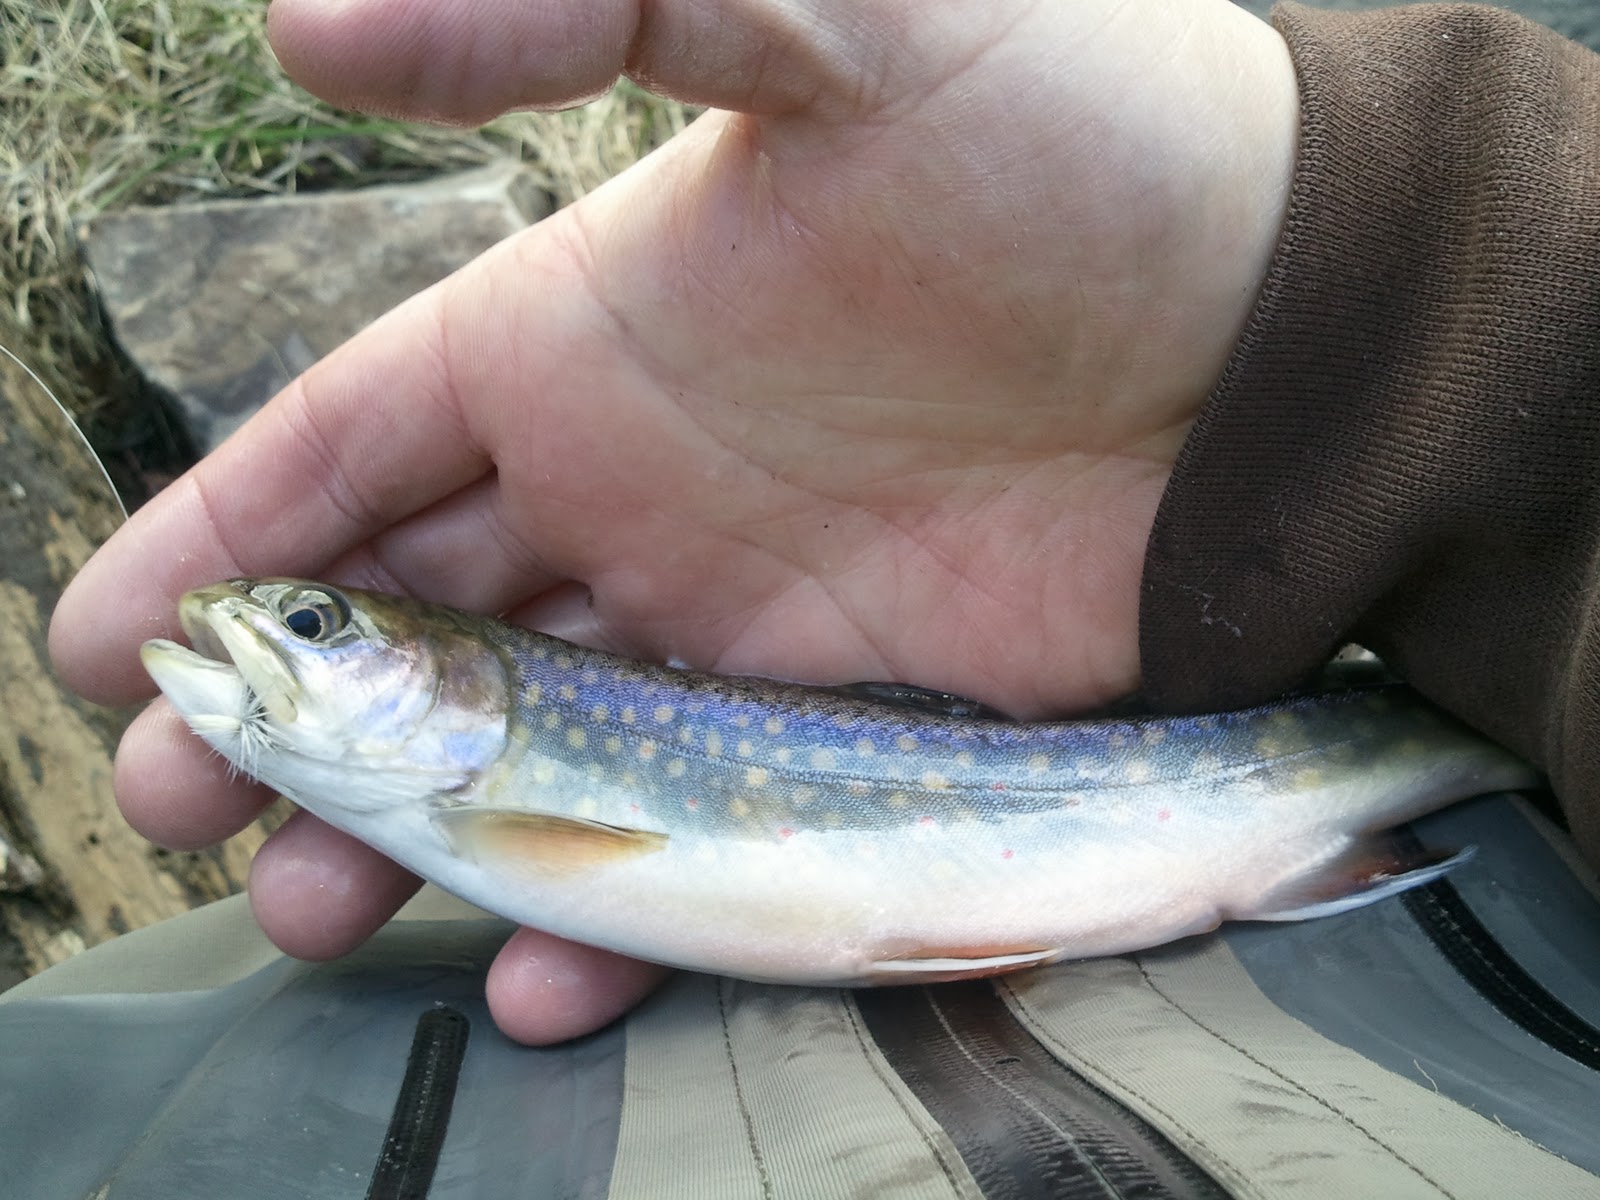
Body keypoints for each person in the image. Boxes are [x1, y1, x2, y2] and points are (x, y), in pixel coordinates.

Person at [47, 0, 1600, 1061]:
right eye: (307, 625)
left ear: (465, 674)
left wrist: (1326, 220)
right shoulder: (474, 796)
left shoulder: (499, 799)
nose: (263, 631)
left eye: (315, 626)